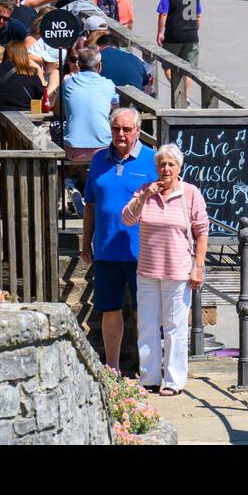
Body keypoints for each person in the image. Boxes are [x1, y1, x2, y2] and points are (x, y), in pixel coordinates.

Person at [120, 142, 207, 395]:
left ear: (179, 167)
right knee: (147, 325)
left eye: (171, 164)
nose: (166, 169)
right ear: (156, 167)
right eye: (161, 164)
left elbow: (202, 232)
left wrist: (198, 266)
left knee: (175, 327)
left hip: (179, 271)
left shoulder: (190, 193)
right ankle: (149, 378)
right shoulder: (145, 190)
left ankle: (174, 380)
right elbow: (127, 218)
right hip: (147, 271)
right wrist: (146, 195)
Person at [82, 107, 156, 374]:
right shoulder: (99, 159)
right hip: (106, 249)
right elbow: (90, 204)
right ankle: (112, 366)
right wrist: (85, 243)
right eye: (116, 129)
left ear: (137, 130)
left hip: (142, 252)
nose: (121, 134)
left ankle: (147, 370)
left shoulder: (152, 160)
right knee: (109, 309)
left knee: (144, 313)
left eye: (127, 129)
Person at [61, 46, 118, 161]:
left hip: (73, 150)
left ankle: (73, 177)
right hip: (103, 148)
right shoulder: (109, 84)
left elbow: (58, 111)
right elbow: (116, 112)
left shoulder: (68, 82)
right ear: (99, 66)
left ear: (79, 65)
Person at [157, 0, 202, 102]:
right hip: (191, 36)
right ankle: (185, 97)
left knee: (167, 65)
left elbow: (163, 13)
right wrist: (194, 29)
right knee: (188, 69)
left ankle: (180, 93)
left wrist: (160, 32)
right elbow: (198, 16)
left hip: (173, 36)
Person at [0, 40, 46, 112]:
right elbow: (42, 98)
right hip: (25, 118)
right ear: (25, 55)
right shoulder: (31, 74)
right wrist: (38, 69)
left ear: (6, 54)